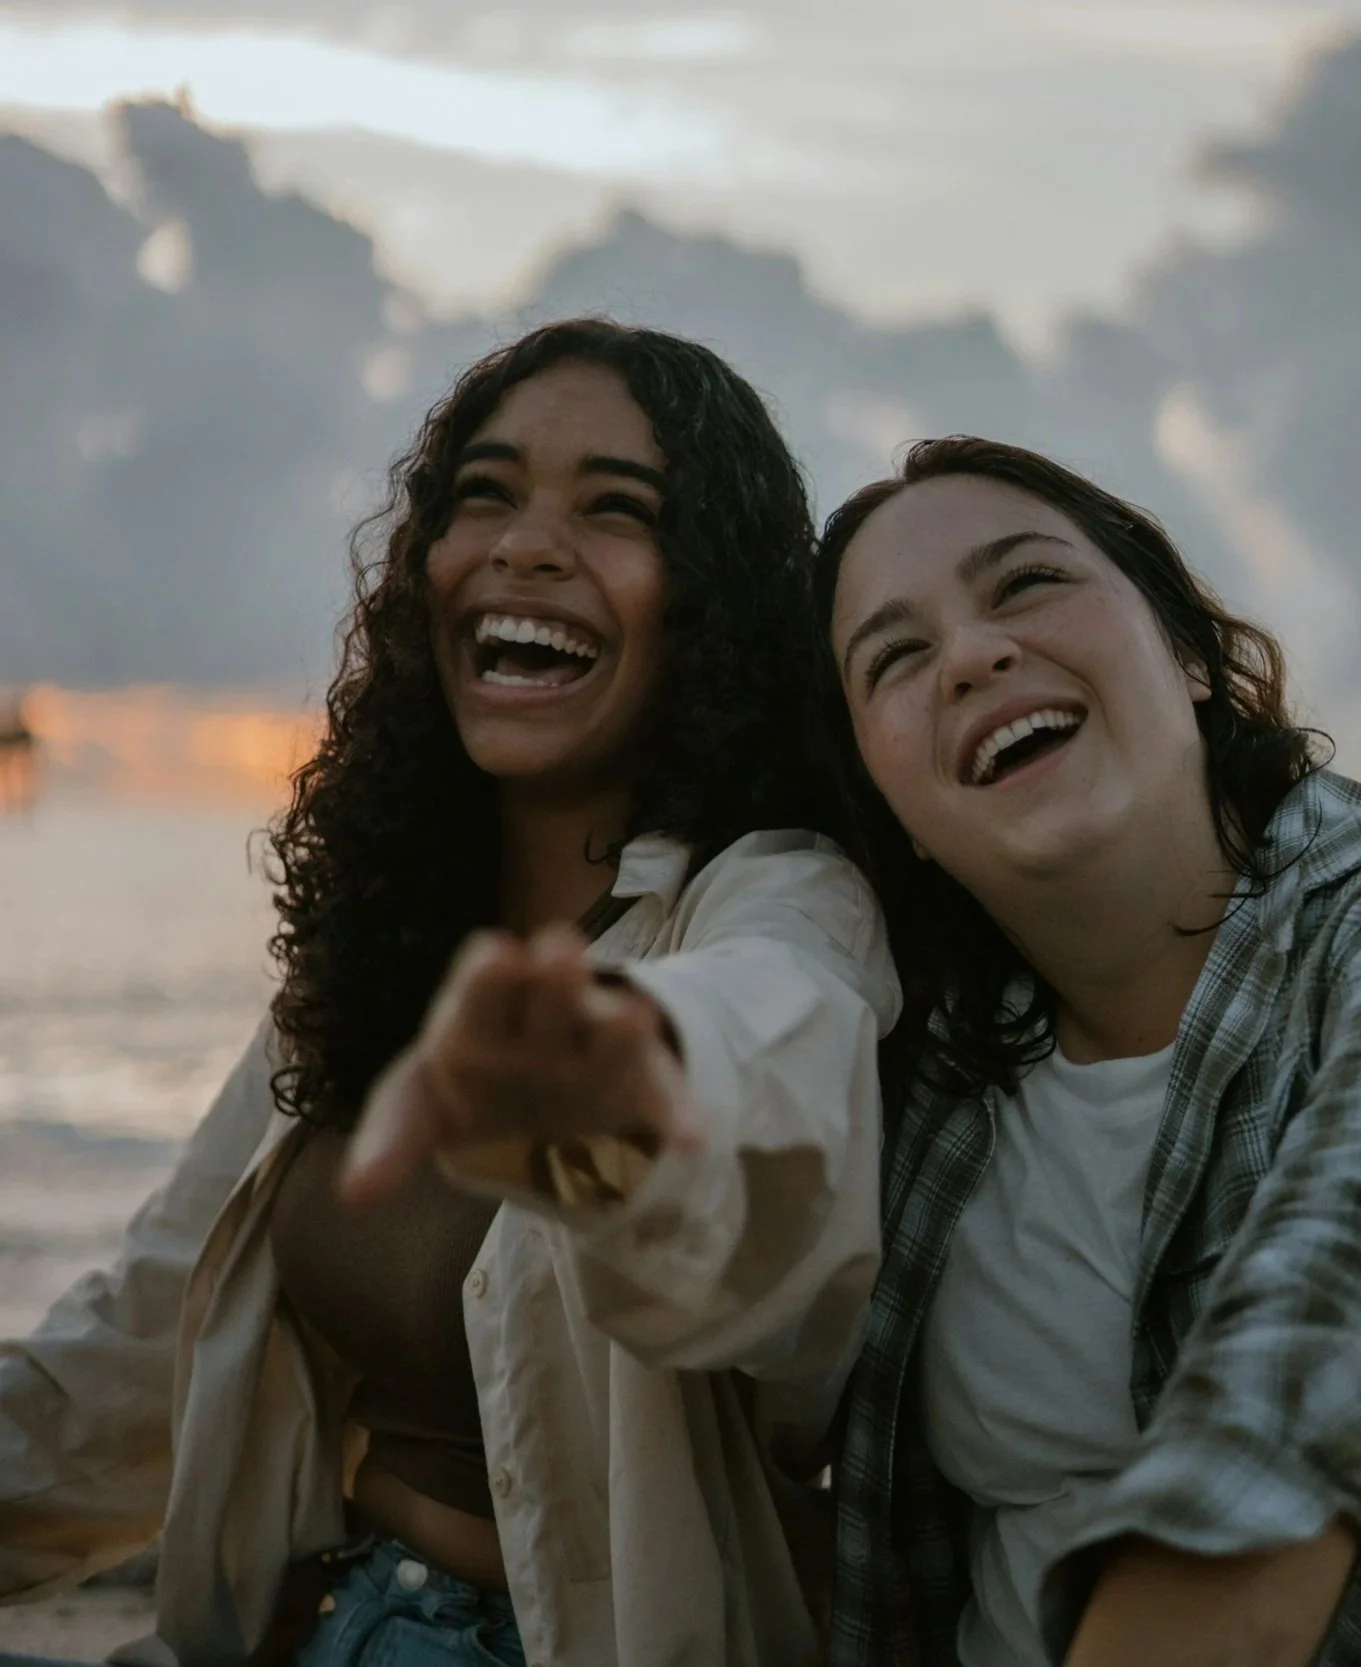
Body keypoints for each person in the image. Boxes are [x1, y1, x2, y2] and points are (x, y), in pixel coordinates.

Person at [0, 320, 896, 1667]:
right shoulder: (379, 946)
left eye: (615, 509)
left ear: (708, 596)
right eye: (483, 492)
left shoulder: (774, 900)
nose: (525, 545)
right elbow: (140, 1346)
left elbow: (776, 1091)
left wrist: (625, 1081)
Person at [812, 435, 1361, 1667]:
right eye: (895, 656)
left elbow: (1342, 1323)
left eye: (1028, 584)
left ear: (1188, 654)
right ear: (893, 811)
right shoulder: (910, 1084)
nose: (973, 655)